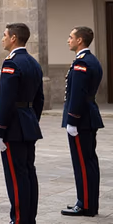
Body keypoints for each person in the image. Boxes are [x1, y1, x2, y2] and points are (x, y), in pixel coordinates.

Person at [0, 23, 44, 224]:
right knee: (29, 172)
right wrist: (32, 120)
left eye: (5, 35)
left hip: (13, 127)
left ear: (14, 38)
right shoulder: (33, 62)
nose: (3, 39)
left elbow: (6, 100)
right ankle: (29, 217)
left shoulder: (11, 63)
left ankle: (20, 219)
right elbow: (39, 99)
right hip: (28, 123)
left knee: (16, 177)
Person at [61, 26, 103, 217]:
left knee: (83, 163)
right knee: (88, 162)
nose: (68, 40)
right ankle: (87, 202)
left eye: (70, 37)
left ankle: (85, 205)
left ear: (80, 41)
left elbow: (77, 94)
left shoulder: (82, 63)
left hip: (82, 120)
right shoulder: (90, 60)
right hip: (87, 117)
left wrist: (72, 120)